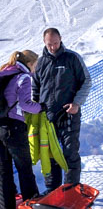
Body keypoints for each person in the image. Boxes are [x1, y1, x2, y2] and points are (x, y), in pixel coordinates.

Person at [32, 28, 92, 192]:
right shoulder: (40, 62)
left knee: (69, 152)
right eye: (49, 44)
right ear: (44, 42)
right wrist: (36, 109)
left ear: (61, 39)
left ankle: (71, 189)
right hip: (47, 117)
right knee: (50, 154)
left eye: (56, 43)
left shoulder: (72, 58)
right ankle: (53, 190)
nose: (53, 47)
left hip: (68, 114)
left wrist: (77, 103)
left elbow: (86, 81)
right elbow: (35, 88)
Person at [0, 51, 42, 209]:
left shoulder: (4, 72)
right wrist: (41, 107)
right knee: (24, 168)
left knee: (3, 172)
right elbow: (25, 104)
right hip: (14, 129)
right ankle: (31, 204)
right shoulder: (23, 77)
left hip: (0, 127)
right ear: (30, 63)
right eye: (36, 65)